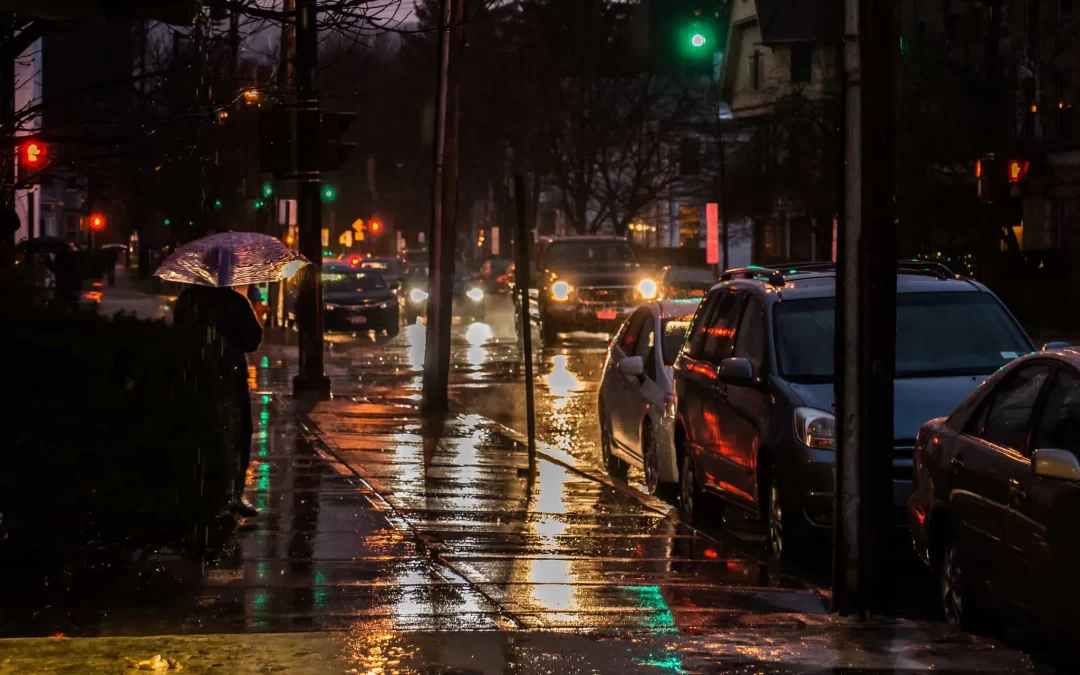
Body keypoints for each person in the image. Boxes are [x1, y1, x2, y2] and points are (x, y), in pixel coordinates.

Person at [173, 283, 263, 517]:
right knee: (235, 434)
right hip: (228, 375)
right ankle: (231, 494)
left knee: (199, 433)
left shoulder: (187, 299)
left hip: (194, 375)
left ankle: (199, 492)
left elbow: (178, 332)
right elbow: (252, 340)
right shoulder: (234, 301)